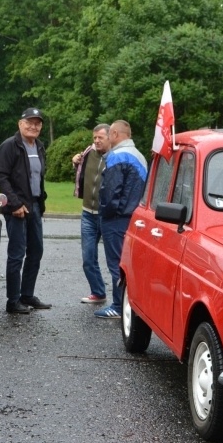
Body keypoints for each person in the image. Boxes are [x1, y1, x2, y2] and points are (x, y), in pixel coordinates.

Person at [0, 107, 52, 314]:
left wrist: (38, 204)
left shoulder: (39, 146)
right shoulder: (10, 146)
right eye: (29, 122)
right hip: (17, 208)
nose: (33, 126)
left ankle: (27, 295)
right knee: (17, 254)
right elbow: (0, 176)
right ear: (20, 123)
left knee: (36, 251)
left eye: (37, 123)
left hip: (35, 205)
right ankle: (13, 301)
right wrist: (15, 204)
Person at [94, 120, 148, 319]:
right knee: (130, 264)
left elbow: (111, 191)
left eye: (109, 135)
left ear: (115, 134)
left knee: (116, 263)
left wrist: (104, 213)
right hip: (133, 217)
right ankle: (131, 304)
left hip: (116, 219)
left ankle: (118, 306)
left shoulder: (116, 156)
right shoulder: (139, 156)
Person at [72, 124, 110, 305]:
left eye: (100, 138)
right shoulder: (88, 153)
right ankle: (98, 292)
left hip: (108, 214)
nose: (96, 141)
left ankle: (122, 301)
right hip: (88, 212)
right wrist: (75, 162)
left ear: (110, 137)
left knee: (115, 260)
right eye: (94, 137)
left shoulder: (115, 156)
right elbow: (81, 174)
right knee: (88, 258)